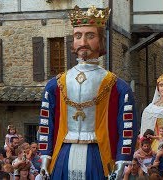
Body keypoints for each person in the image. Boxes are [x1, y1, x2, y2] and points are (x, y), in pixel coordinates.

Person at [37, 5, 137, 180]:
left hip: (98, 155)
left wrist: (121, 161)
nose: (83, 42)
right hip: (63, 154)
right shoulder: (55, 85)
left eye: (90, 36)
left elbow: (127, 128)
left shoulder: (118, 87)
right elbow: (46, 125)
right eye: (78, 36)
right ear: (73, 42)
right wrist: (45, 158)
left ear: (101, 40)